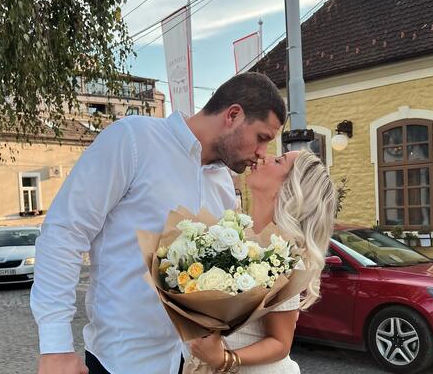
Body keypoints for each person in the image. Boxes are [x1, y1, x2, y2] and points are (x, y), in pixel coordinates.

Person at [30, 72, 286, 374]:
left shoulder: (223, 184)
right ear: (233, 115)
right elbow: (64, 232)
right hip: (120, 362)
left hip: (188, 363)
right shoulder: (133, 140)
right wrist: (56, 347)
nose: (262, 153)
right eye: (262, 138)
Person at [188, 150, 337, 373]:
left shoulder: (285, 254)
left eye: (278, 161)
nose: (264, 156)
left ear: (288, 188)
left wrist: (224, 359)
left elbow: (280, 343)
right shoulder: (237, 235)